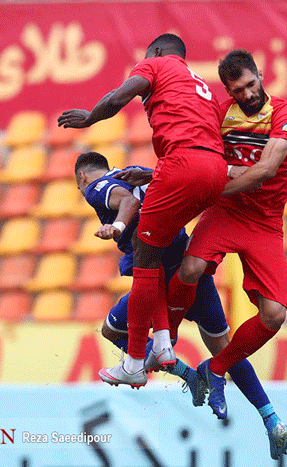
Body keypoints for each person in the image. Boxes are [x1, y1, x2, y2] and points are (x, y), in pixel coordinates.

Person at [75, 152, 287, 459]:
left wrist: (119, 225)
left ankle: (177, 369)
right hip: (190, 272)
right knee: (223, 348)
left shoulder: (96, 188)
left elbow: (128, 202)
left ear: (82, 177)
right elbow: (174, 182)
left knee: (113, 330)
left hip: (160, 281)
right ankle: (270, 417)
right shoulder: (134, 172)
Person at [59, 33, 228, 388]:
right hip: (214, 174)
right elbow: (205, 145)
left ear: (158, 52)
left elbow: (118, 97)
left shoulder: (156, 64)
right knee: (152, 251)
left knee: (143, 256)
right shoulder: (202, 88)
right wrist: (156, 175)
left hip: (180, 166)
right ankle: (165, 347)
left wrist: (90, 118)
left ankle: (136, 362)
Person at [162, 49, 287, 422]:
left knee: (274, 315)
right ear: (228, 90)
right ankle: (166, 339)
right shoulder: (220, 114)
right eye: (238, 90)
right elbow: (197, 157)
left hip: (265, 223)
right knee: (190, 268)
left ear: (260, 74)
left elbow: (267, 169)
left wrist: (214, 187)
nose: (248, 94)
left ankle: (216, 367)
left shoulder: (286, 112)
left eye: (251, 84)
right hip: (226, 213)